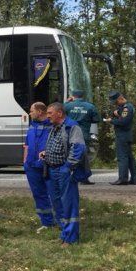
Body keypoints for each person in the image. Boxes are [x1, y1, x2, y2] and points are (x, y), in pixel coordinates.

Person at [40, 102, 88, 246]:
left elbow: (78, 148)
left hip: (64, 170)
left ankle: (71, 238)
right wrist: (46, 153)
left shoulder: (72, 126)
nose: (47, 116)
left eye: (50, 113)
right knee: (57, 204)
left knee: (68, 204)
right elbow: (59, 146)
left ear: (59, 113)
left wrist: (68, 167)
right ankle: (64, 234)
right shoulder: (54, 127)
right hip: (51, 170)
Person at [22, 103, 54, 231]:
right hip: (32, 166)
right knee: (38, 195)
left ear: (40, 112)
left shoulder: (52, 125)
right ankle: (46, 222)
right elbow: (27, 145)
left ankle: (60, 221)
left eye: (31, 111)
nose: (30, 113)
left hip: (48, 165)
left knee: (54, 194)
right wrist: (25, 162)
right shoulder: (32, 125)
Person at [64, 90, 99, 185]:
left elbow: (59, 112)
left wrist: (67, 102)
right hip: (84, 134)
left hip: (69, 134)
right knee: (83, 157)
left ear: (73, 96)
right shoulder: (90, 106)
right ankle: (84, 179)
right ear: (83, 96)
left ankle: (67, 177)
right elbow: (96, 119)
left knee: (69, 155)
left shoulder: (67, 106)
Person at [106, 91, 136, 185]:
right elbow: (119, 115)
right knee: (129, 157)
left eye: (116, 102)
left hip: (123, 135)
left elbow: (123, 122)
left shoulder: (127, 108)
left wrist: (111, 121)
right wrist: (116, 114)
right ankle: (134, 178)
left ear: (120, 98)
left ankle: (123, 179)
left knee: (122, 157)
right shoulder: (123, 107)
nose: (115, 104)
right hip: (125, 135)